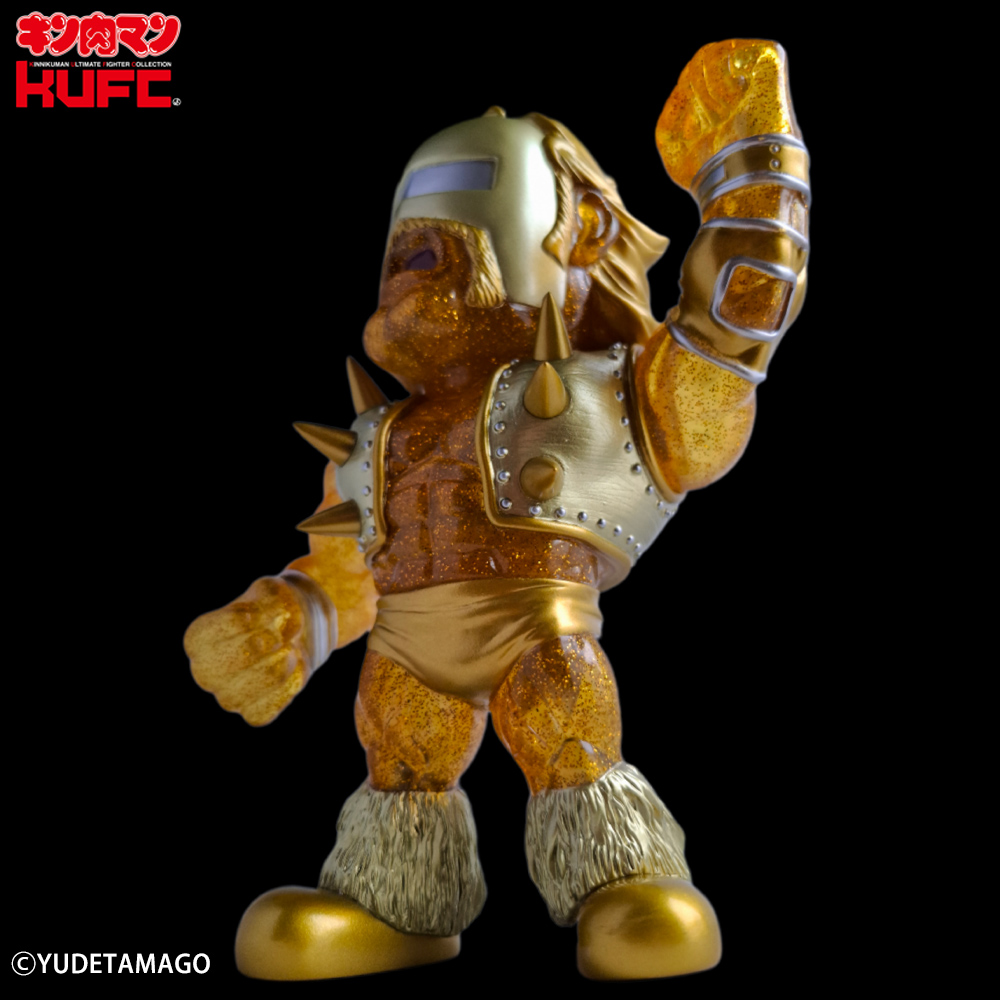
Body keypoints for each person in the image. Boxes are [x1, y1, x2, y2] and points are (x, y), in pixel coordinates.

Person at [185, 38, 810, 981]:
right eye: (406, 216)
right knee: (401, 756)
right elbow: (349, 570)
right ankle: (394, 902)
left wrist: (754, 176)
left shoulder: (609, 398)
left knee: (566, 727)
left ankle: (621, 881)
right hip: (404, 657)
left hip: (541, 636)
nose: (414, 244)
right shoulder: (378, 440)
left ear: (578, 235)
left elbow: (732, 327)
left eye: (464, 195)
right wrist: (287, 620)